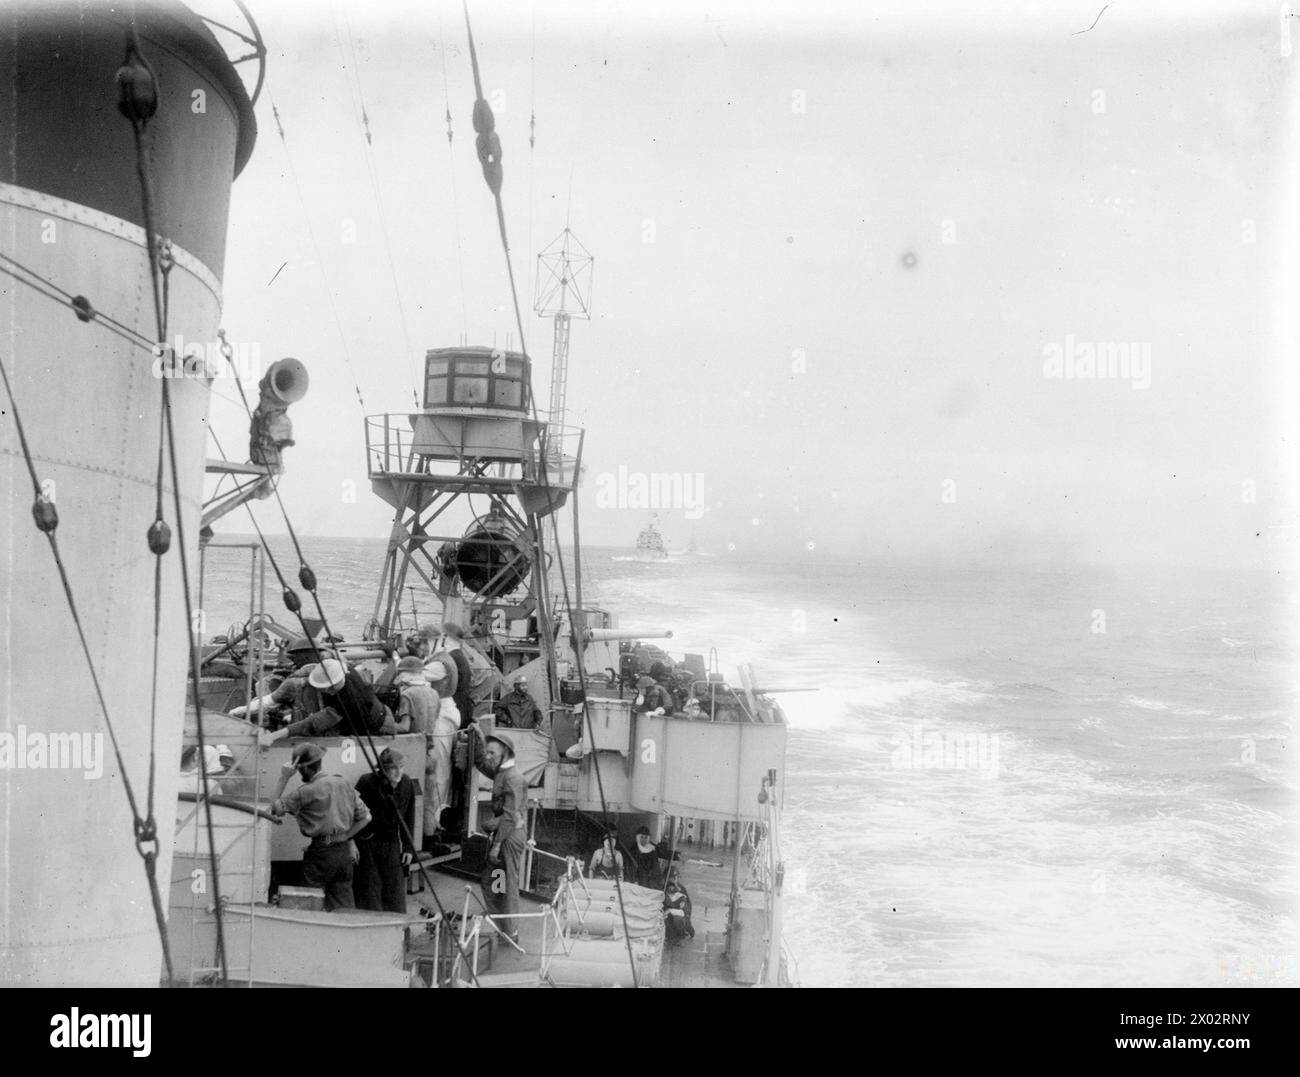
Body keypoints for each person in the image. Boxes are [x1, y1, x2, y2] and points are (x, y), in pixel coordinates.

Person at [269, 743, 372, 911]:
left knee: (309, 903)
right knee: (344, 906)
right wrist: (346, 837)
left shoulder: (304, 792)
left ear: (304, 769)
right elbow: (366, 817)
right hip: (344, 853)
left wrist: (285, 776)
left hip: (321, 853)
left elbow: (272, 808)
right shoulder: (343, 782)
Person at [468, 726, 527, 944]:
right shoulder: (502, 772)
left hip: (509, 838)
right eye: (489, 751)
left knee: (507, 884)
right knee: (494, 882)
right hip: (504, 835)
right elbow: (481, 762)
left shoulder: (513, 778)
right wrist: (478, 736)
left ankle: (510, 933)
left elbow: (510, 817)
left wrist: (496, 845)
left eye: (493, 752)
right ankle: (503, 928)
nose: (489, 756)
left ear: (505, 753)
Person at [259, 658, 391, 744]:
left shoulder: (347, 702)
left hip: (379, 725)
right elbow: (317, 667)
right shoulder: (345, 669)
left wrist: (274, 736)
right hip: (378, 707)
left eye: (332, 687)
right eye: (324, 688)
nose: (329, 691)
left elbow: (311, 724)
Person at [353, 748, 417, 913]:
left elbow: (409, 817)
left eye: (401, 767)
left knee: (395, 891)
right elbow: (351, 813)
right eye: (393, 768)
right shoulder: (367, 782)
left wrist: (408, 848)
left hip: (391, 843)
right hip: (368, 842)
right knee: (370, 891)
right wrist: (350, 842)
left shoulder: (407, 783)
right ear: (383, 770)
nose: (398, 772)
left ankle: (397, 929)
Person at [663, 870, 695, 945]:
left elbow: (685, 909)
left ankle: (683, 931)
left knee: (678, 920)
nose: (672, 880)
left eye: (674, 878)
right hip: (668, 913)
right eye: (670, 877)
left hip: (680, 914)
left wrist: (670, 910)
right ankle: (671, 934)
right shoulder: (663, 888)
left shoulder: (681, 891)